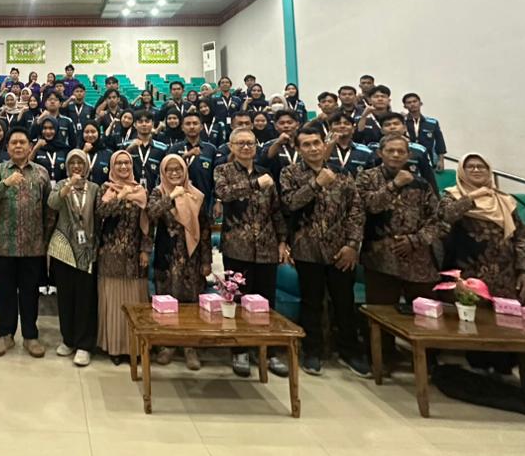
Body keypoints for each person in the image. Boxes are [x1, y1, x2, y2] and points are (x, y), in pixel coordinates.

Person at [280, 126, 369, 377]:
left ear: (324, 144)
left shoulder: (342, 173)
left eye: (316, 143)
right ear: (298, 149)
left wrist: (352, 245)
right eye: (306, 145)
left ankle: (349, 351)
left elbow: (356, 211)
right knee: (312, 302)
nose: (312, 148)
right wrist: (316, 183)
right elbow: (289, 204)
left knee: (344, 302)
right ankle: (312, 351)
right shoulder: (290, 173)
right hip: (307, 249)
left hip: (340, 250)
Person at [213, 129, 289, 378]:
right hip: (238, 247)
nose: (246, 147)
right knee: (237, 300)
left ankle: (268, 350)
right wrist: (254, 184)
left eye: (250, 143)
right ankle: (240, 349)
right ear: (231, 146)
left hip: (267, 247)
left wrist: (282, 240)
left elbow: (276, 210)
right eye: (241, 143)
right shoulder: (223, 171)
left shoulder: (265, 173)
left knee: (266, 302)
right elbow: (224, 194)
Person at [356, 134, 443, 322]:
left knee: (426, 318)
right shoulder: (366, 178)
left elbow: (437, 220)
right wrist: (394, 185)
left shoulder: (421, 183)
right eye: (390, 151)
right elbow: (367, 207)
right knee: (381, 317)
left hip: (418, 259)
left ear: (408, 155)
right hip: (380, 259)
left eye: (400, 151)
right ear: (380, 153)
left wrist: (414, 240)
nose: (395, 155)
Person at [0, 128, 52, 358]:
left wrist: (46, 239)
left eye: (22, 142)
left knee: (30, 293)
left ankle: (30, 336)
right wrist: (6, 183)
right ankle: (5, 334)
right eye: (13, 142)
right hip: (3, 244)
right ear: (7, 147)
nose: (18, 146)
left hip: (33, 246)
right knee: (4, 292)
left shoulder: (41, 172)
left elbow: (48, 208)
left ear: (30, 146)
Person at [440, 154, 525, 305]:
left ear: (489, 171)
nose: (476, 170)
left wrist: (524, 271)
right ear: (461, 171)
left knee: (506, 318)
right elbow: (446, 216)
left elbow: (520, 237)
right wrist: (472, 196)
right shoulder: (451, 196)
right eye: (470, 167)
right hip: (467, 277)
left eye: (481, 167)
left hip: (505, 277)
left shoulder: (504, 200)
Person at [147, 153, 208, 369]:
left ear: (185, 171)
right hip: (167, 257)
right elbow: (151, 214)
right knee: (167, 303)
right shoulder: (158, 192)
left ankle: (190, 347)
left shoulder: (196, 194)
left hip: (192, 259)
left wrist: (206, 261)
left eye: (178, 169)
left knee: (190, 305)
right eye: (170, 170)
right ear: (163, 172)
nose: (174, 173)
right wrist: (171, 197)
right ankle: (168, 344)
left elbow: (205, 229)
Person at [95, 150, 151, 364]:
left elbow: (148, 224)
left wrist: (145, 250)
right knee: (114, 303)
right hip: (111, 256)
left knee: (135, 303)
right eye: (118, 163)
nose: (123, 167)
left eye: (127, 162)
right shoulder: (105, 189)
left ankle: (134, 348)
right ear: (112, 166)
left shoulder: (140, 190)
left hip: (135, 257)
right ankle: (115, 347)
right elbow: (101, 212)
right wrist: (120, 196)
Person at [47, 149, 99, 366]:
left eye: (80, 162)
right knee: (66, 297)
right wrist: (68, 186)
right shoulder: (61, 185)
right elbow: (52, 203)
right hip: (64, 248)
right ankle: (68, 339)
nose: (76, 166)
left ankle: (84, 344)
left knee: (86, 298)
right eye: (72, 163)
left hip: (87, 250)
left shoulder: (95, 188)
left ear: (86, 165)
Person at [168, 111, 218, 215]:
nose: (191, 127)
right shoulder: (174, 148)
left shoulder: (211, 149)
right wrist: (186, 156)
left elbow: (216, 178)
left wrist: (217, 201)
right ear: (182, 127)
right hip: (179, 201)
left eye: (195, 123)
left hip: (204, 201)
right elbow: (167, 172)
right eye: (188, 124)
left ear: (201, 127)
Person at [373, 111, 438, 185]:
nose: (392, 127)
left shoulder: (419, 150)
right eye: (387, 125)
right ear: (381, 130)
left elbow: (428, 178)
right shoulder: (373, 149)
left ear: (404, 128)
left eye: (396, 124)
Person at [403, 93, 447, 168]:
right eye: (409, 102)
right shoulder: (402, 122)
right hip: (408, 160)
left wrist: (441, 160)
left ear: (420, 103)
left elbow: (440, 142)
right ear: (405, 106)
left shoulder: (432, 122)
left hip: (429, 160)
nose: (412, 104)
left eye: (414, 101)